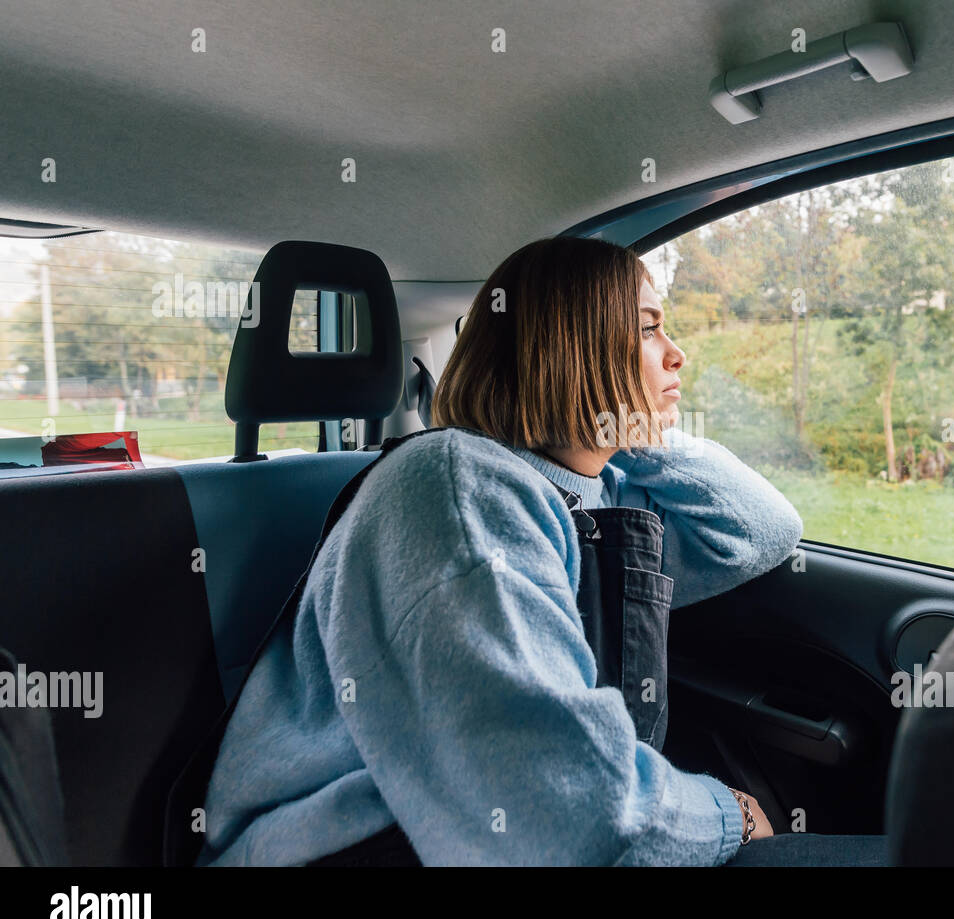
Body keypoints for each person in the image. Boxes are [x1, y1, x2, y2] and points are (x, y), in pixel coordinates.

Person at [194, 235, 875, 866]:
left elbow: (755, 530)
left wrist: (622, 425)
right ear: (572, 347)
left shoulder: (591, 492)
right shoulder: (456, 492)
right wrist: (731, 815)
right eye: (646, 328)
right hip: (362, 847)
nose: (677, 353)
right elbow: (566, 811)